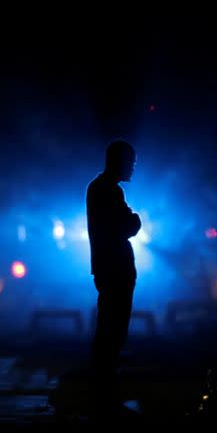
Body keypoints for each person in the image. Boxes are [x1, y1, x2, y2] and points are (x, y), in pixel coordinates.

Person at [86, 139, 141, 415]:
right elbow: (126, 226)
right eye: (130, 162)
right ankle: (104, 398)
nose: (132, 168)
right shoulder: (108, 191)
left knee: (110, 331)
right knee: (112, 332)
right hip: (115, 269)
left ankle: (103, 395)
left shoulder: (100, 189)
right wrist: (135, 219)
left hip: (109, 269)